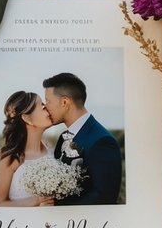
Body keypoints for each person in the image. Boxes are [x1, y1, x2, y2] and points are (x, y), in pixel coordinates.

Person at [42, 72, 122, 205]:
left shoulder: (102, 142)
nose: (45, 107)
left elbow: (104, 197)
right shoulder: (64, 137)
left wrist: (57, 206)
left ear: (65, 102)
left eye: (48, 101)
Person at [0, 91, 56, 207]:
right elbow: (0, 203)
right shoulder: (10, 157)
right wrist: (36, 201)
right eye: (41, 105)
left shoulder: (51, 150)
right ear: (27, 118)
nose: (46, 107)